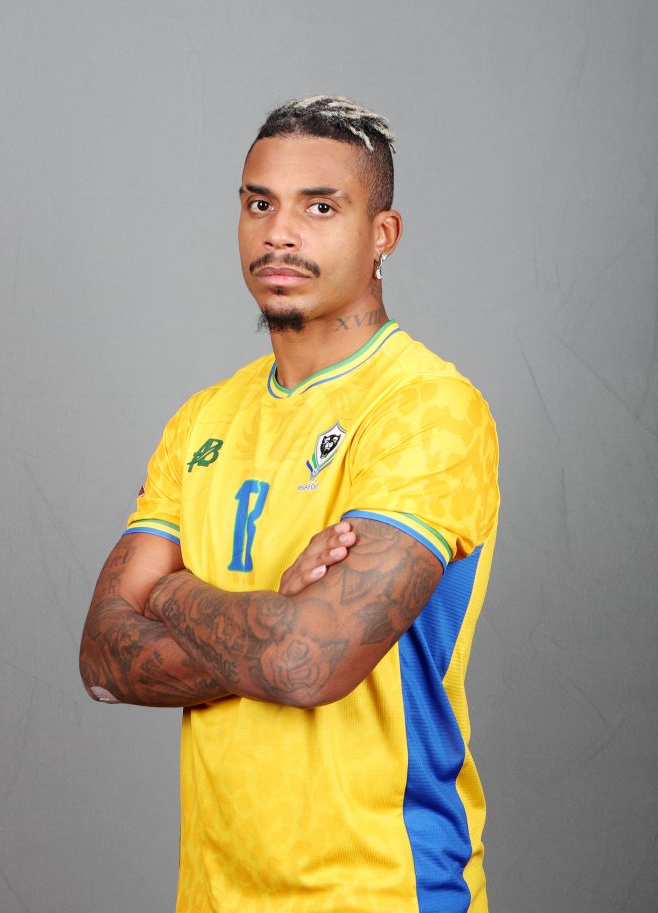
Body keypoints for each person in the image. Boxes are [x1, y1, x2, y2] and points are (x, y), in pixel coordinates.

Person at [79, 95, 500, 913]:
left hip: (380, 890)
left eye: (320, 206)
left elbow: (308, 663)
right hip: (212, 893)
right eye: (259, 203)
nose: (279, 232)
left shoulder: (429, 407)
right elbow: (101, 656)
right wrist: (273, 614)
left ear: (383, 235)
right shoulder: (202, 418)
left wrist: (167, 592)